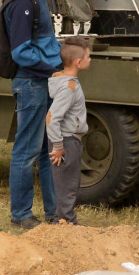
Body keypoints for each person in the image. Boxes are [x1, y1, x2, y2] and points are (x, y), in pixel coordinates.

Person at [4, 0, 72, 230]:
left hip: (42, 80)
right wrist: (52, 71)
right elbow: (20, 51)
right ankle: (21, 216)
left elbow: (42, 40)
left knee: (48, 150)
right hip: (31, 82)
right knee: (27, 150)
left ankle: (53, 214)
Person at [46, 36, 91, 225]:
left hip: (68, 140)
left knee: (67, 181)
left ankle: (63, 219)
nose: (90, 60)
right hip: (66, 142)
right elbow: (52, 117)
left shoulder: (67, 82)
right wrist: (58, 146)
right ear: (78, 62)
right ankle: (66, 221)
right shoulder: (68, 88)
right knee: (68, 184)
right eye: (89, 57)